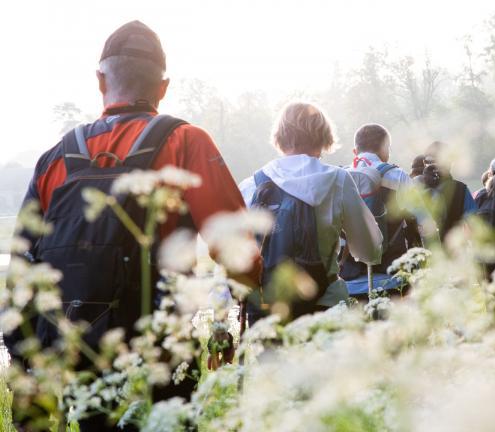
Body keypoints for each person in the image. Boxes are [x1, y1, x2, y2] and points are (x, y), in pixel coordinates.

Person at [11, 21, 257, 430]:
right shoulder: (186, 141)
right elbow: (236, 250)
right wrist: (242, 304)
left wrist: (25, 363)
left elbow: (21, 267)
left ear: (100, 80)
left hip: (74, 351)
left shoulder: (55, 157)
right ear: (163, 87)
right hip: (159, 355)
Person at [239, 102, 383, 318]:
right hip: (326, 306)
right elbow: (369, 250)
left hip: (268, 313)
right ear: (323, 136)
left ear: (280, 136)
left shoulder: (252, 185)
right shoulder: (338, 180)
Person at [339, 124, 422, 300]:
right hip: (392, 278)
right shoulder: (398, 176)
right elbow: (423, 220)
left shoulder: (339, 178)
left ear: (355, 151)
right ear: (385, 149)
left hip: (349, 281)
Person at [420, 141, 477, 242]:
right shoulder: (461, 190)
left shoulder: (414, 186)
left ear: (425, 163)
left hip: (418, 253)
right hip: (452, 252)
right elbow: (474, 223)